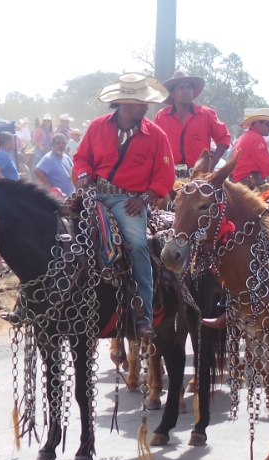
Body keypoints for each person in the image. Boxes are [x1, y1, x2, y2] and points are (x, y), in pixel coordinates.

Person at [73, 73, 175, 338]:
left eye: (145, 103)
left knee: (139, 245)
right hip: (93, 194)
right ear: (124, 104)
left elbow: (165, 174)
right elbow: (82, 158)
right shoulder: (97, 127)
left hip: (128, 201)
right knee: (58, 230)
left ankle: (144, 313)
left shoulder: (155, 134)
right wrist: (83, 175)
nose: (146, 107)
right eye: (141, 103)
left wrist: (144, 198)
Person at [154, 70, 231, 176]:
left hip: (199, 176)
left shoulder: (206, 114)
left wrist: (212, 164)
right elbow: (154, 146)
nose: (186, 91)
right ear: (172, 93)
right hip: (169, 175)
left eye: (189, 87)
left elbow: (224, 138)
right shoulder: (161, 116)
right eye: (181, 88)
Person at [230, 108, 269, 188]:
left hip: (239, 183)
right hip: (249, 185)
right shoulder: (257, 139)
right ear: (258, 123)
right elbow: (267, 165)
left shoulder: (244, 137)